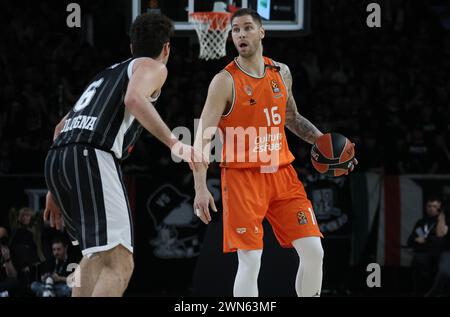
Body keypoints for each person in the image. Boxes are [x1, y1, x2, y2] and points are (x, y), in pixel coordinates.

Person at [192, 8, 357, 297]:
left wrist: (328, 148)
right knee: (251, 259)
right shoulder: (224, 81)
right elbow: (202, 138)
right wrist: (200, 188)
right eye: (235, 30)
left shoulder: (281, 72)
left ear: (261, 32)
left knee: (313, 251)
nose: (240, 34)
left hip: (282, 173)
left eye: (246, 28)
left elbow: (291, 118)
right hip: (243, 178)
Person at [43, 13, 206, 297]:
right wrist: (175, 144)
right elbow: (133, 98)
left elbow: (60, 128)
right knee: (120, 259)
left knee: (95, 253)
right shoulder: (153, 66)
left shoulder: (106, 73)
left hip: (59, 156)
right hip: (92, 155)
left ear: (131, 45)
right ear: (166, 48)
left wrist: (54, 188)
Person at [408, 196, 445, 295]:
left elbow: (439, 240)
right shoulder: (421, 223)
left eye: (434, 206)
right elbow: (411, 240)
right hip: (421, 260)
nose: (431, 208)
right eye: (429, 206)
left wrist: (427, 240)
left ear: (439, 208)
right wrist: (416, 239)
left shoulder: (442, 222)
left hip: (436, 260)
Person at [0, 227, 20, 297]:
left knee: (14, 282)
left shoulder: (12, 252)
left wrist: (7, 259)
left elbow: (13, 277)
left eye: (3, 240)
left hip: (6, 283)